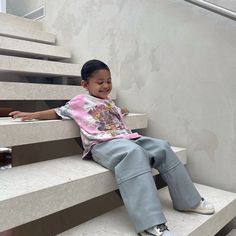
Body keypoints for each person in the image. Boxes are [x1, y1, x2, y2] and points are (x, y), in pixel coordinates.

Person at [9, 59, 215, 236]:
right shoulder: (79, 102)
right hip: (103, 144)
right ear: (85, 84)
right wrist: (33, 115)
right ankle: (151, 224)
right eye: (100, 82)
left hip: (127, 137)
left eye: (108, 81)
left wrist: (122, 110)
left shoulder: (108, 102)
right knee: (133, 154)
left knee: (161, 146)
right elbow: (57, 111)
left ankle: (188, 201)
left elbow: (116, 112)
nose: (106, 85)